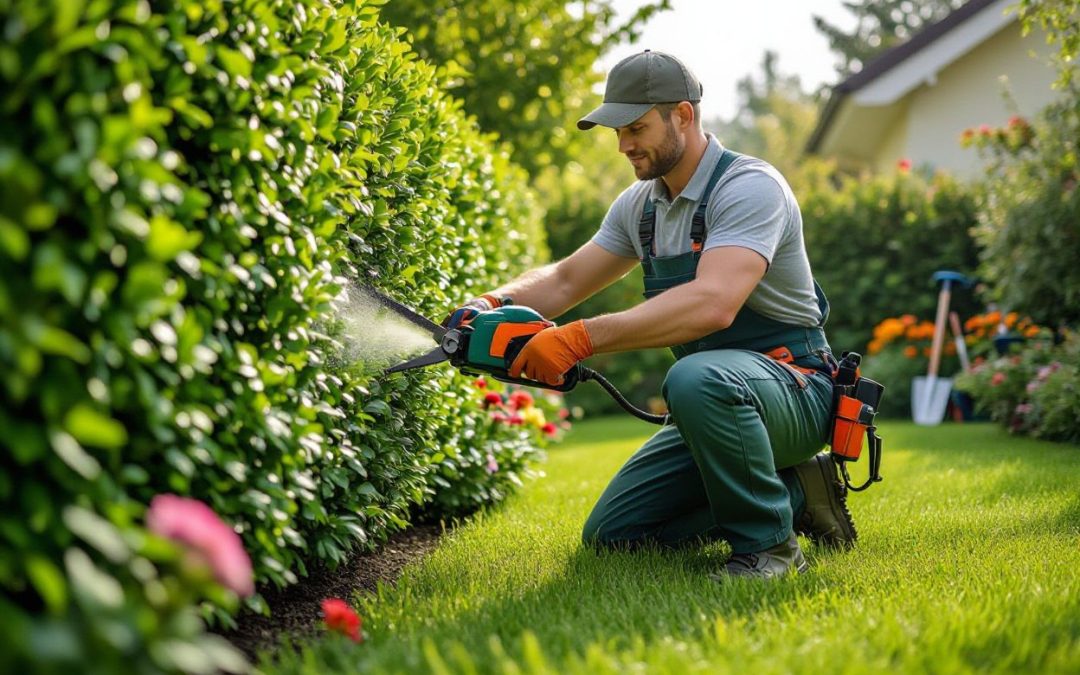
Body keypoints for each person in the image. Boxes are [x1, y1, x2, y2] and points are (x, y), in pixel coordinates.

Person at [446, 50, 855, 579]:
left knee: (694, 376)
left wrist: (577, 339)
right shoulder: (641, 206)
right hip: (718, 402)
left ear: (683, 115)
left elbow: (713, 303)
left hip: (796, 389)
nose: (624, 145)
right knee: (616, 537)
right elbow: (567, 279)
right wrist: (487, 307)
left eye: (636, 128)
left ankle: (769, 551)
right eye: (617, 131)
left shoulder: (749, 187)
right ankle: (802, 492)